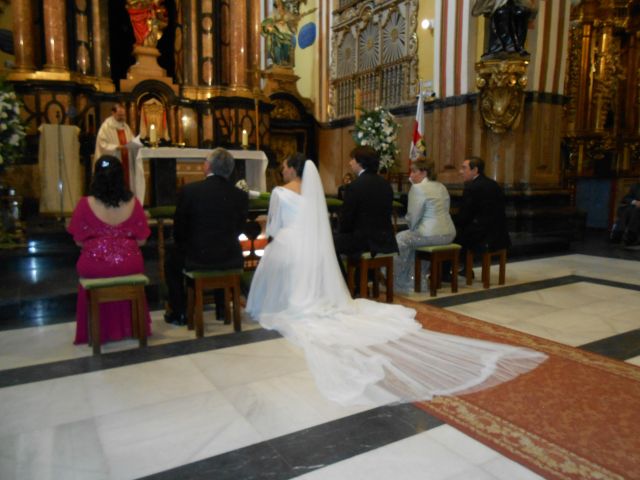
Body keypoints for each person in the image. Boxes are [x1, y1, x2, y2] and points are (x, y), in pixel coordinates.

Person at [245, 155, 547, 407]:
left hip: (346, 240)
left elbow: (312, 223)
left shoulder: (288, 192)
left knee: (333, 246)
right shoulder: (393, 185)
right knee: (358, 246)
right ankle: (374, 280)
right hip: (394, 236)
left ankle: (385, 278)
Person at [68, 156, 151, 344]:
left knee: (90, 267)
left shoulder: (84, 204)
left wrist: (101, 244)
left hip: (95, 265)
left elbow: (79, 242)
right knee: (129, 264)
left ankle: (99, 331)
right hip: (129, 263)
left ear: (95, 176)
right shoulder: (133, 203)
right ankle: (132, 327)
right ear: (121, 176)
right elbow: (142, 240)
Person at [164, 147, 249, 325]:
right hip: (230, 257)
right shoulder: (240, 195)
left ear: (208, 166)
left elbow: (180, 229)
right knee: (217, 244)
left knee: (172, 258)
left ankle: (180, 312)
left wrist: (186, 245)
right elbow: (239, 228)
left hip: (198, 258)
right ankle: (220, 309)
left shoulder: (190, 191)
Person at [334, 146, 399, 276]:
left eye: (352, 159)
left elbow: (347, 220)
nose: (350, 162)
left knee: (329, 243)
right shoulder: (386, 184)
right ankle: (362, 279)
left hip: (364, 241)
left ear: (360, 162)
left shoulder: (355, 186)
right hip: (385, 239)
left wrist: (339, 231)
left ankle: (346, 283)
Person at [394, 158, 456, 293]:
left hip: (431, 234)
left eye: (414, 171)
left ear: (424, 172)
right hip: (449, 233)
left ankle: (402, 282)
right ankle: (417, 279)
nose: (411, 175)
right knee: (414, 241)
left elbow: (413, 218)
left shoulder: (417, 188)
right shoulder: (441, 186)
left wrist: (412, 227)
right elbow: (446, 208)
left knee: (400, 238)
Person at [452, 156, 511, 279]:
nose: (460, 171)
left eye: (464, 168)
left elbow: (464, 216)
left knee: (452, 236)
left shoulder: (472, 187)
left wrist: (453, 223)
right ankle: (465, 269)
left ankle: (448, 272)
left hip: (483, 235)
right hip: (500, 233)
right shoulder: (493, 184)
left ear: (475, 170)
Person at [94, 103, 143, 203]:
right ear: (113, 113)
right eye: (119, 115)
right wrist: (116, 147)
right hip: (113, 161)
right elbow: (102, 144)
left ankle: (126, 202)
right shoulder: (106, 126)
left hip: (126, 161)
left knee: (126, 181)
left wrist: (136, 145)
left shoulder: (125, 127)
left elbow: (131, 140)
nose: (122, 117)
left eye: (123, 115)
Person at [472, 0, 537, 58]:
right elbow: (477, 10)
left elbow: (530, 8)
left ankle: (517, 47)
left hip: (516, 6)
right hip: (499, 7)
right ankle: (499, 48)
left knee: (520, 12)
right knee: (501, 12)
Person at [611, 181, 640, 246]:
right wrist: (635, 202)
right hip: (634, 209)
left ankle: (627, 235)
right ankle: (620, 234)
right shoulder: (635, 186)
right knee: (627, 210)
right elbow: (626, 198)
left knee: (634, 211)